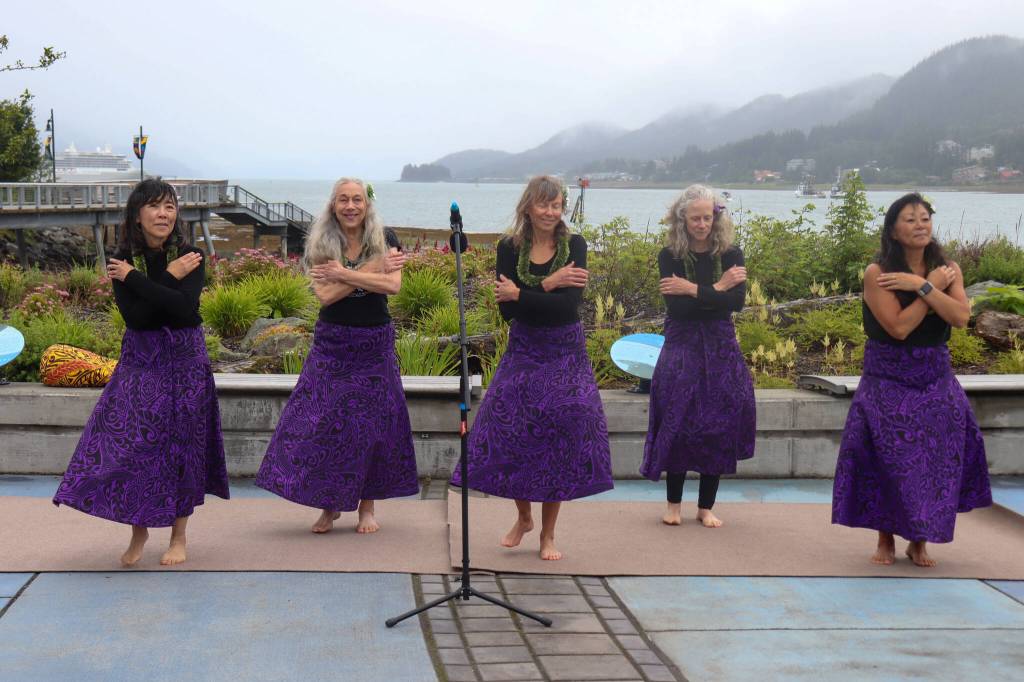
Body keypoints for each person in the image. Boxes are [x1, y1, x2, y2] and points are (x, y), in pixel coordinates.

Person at [53, 178, 229, 567]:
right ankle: (139, 531)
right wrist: (161, 278)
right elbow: (138, 318)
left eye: (170, 206)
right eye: (155, 206)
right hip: (141, 360)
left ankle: (179, 537)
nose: (164, 213)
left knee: (184, 446)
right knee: (133, 445)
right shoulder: (121, 261)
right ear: (137, 214)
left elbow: (184, 310)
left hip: (185, 360)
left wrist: (144, 282)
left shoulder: (191, 254)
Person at [451, 175, 613, 561]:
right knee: (509, 428)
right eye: (543, 204)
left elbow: (567, 307)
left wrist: (527, 292)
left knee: (560, 434)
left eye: (556, 205)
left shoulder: (574, 245)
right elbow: (508, 312)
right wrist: (548, 286)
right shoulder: (509, 247)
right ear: (528, 206)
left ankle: (548, 535)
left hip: (564, 350)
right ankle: (523, 518)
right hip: (524, 349)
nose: (550, 212)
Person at [832, 193, 992, 566]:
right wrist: (923, 290)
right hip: (888, 375)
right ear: (893, 229)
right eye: (910, 219)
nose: (920, 225)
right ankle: (885, 538)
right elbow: (899, 327)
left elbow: (960, 317)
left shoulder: (945, 269)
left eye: (925, 218)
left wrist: (924, 285)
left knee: (937, 454)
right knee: (886, 456)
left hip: (934, 374)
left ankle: (920, 538)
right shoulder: (879, 273)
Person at [255, 178, 419, 534]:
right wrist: (372, 270)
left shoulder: (386, 238)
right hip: (333, 344)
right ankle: (329, 505)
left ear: (367, 204)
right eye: (343, 200)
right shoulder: (321, 242)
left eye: (357, 199)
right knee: (323, 423)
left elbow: (392, 286)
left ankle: (367, 509)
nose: (350, 206)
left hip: (375, 342)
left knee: (372, 426)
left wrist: (344, 273)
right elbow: (326, 296)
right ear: (333, 205)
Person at [639, 184, 755, 528]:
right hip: (681, 344)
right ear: (682, 219)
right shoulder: (669, 256)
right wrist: (717, 288)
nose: (702, 224)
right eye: (695, 218)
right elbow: (678, 308)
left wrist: (693, 290)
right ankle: (673, 504)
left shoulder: (732, 254)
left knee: (717, 423)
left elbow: (735, 304)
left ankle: (706, 507)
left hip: (720, 345)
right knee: (677, 418)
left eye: (707, 217)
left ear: (716, 218)